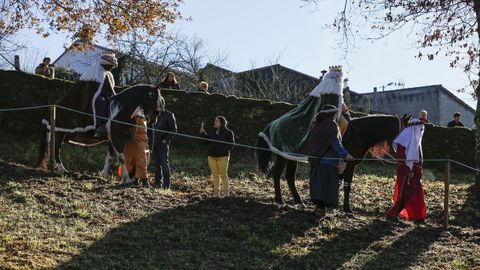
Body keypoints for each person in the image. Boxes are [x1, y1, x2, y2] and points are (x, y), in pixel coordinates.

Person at [308, 104, 354, 217]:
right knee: (326, 187)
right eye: (334, 113)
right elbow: (335, 142)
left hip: (317, 162)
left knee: (319, 186)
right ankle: (320, 211)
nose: (335, 116)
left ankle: (319, 209)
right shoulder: (331, 125)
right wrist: (346, 155)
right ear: (331, 114)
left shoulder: (317, 125)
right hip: (328, 164)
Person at [386, 118, 427, 223]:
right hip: (407, 171)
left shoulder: (414, 138)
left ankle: (417, 217)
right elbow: (401, 157)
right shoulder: (405, 138)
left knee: (413, 195)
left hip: (414, 172)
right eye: (420, 128)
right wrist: (408, 170)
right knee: (406, 195)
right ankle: (417, 218)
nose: (421, 131)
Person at [82, 51, 118, 139]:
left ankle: (110, 127)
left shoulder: (108, 74)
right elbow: (87, 85)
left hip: (104, 96)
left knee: (112, 104)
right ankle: (98, 126)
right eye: (110, 66)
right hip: (92, 95)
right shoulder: (94, 70)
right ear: (105, 64)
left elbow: (111, 89)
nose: (111, 68)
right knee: (101, 102)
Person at [199, 116, 235, 198]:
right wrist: (202, 133)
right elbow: (206, 142)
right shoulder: (212, 132)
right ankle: (216, 193)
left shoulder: (229, 132)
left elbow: (231, 144)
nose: (214, 123)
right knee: (215, 175)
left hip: (223, 156)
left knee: (223, 174)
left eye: (216, 121)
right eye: (215, 121)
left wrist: (222, 149)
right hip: (211, 156)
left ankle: (226, 193)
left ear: (221, 123)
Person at [151, 97, 177, 189]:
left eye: (157, 104)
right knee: (156, 164)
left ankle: (167, 185)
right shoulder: (154, 114)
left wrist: (166, 139)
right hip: (154, 142)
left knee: (164, 163)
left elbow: (174, 130)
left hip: (163, 143)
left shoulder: (169, 115)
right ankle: (158, 184)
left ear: (161, 105)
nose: (155, 106)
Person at [122, 107, 150, 187]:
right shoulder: (135, 112)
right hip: (134, 140)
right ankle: (136, 179)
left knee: (142, 160)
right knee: (131, 160)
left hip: (141, 141)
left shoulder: (142, 112)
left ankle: (142, 180)